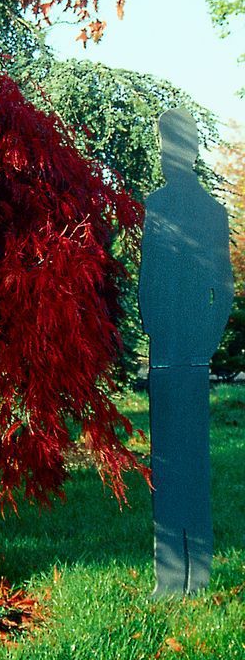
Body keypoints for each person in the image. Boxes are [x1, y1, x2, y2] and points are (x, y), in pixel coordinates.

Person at [138, 107, 233, 596]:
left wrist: (194, 340)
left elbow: (222, 286)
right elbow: (150, 281)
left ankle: (185, 581)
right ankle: (176, 580)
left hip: (179, 352)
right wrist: (195, 339)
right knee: (181, 463)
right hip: (177, 351)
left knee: (178, 464)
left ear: (180, 151)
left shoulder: (187, 210)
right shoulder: (183, 208)